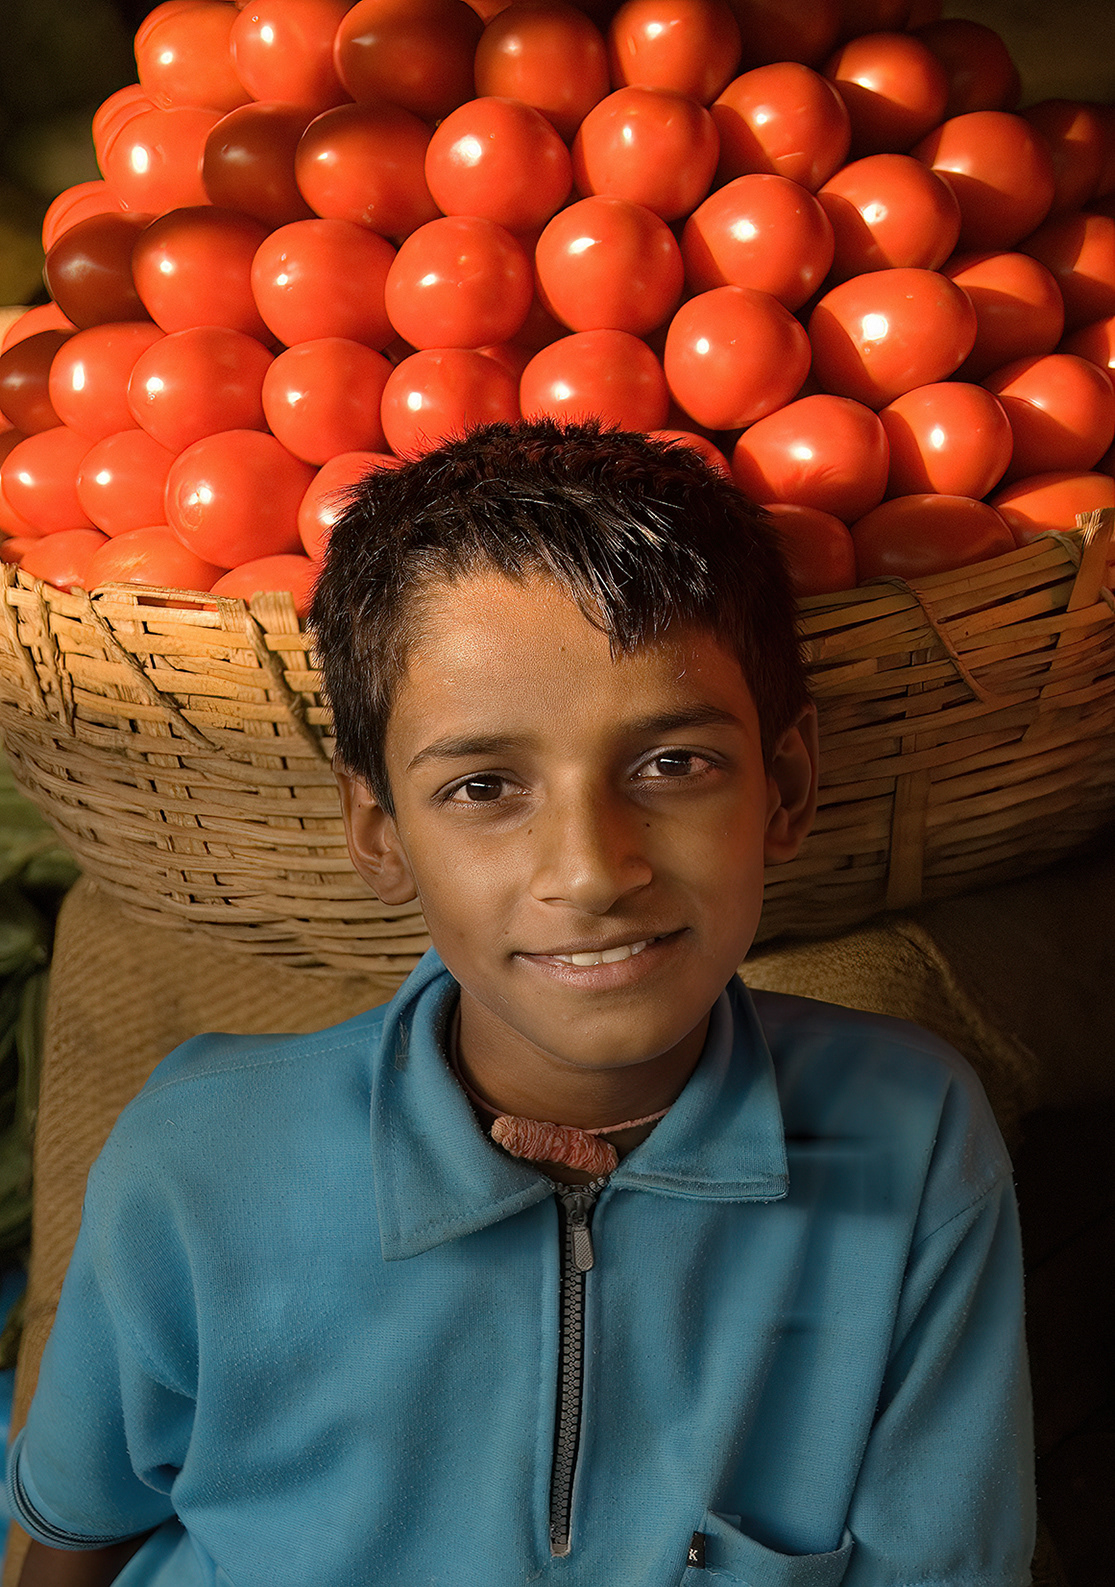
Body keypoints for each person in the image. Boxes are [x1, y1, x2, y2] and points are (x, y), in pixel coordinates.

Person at [7, 420, 1034, 1585]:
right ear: (377, 831)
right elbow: (72, 1539)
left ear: (784, 788)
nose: (591, 870)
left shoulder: (902, 1139)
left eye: (671, 764)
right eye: (483, 787)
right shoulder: (198, 1159)